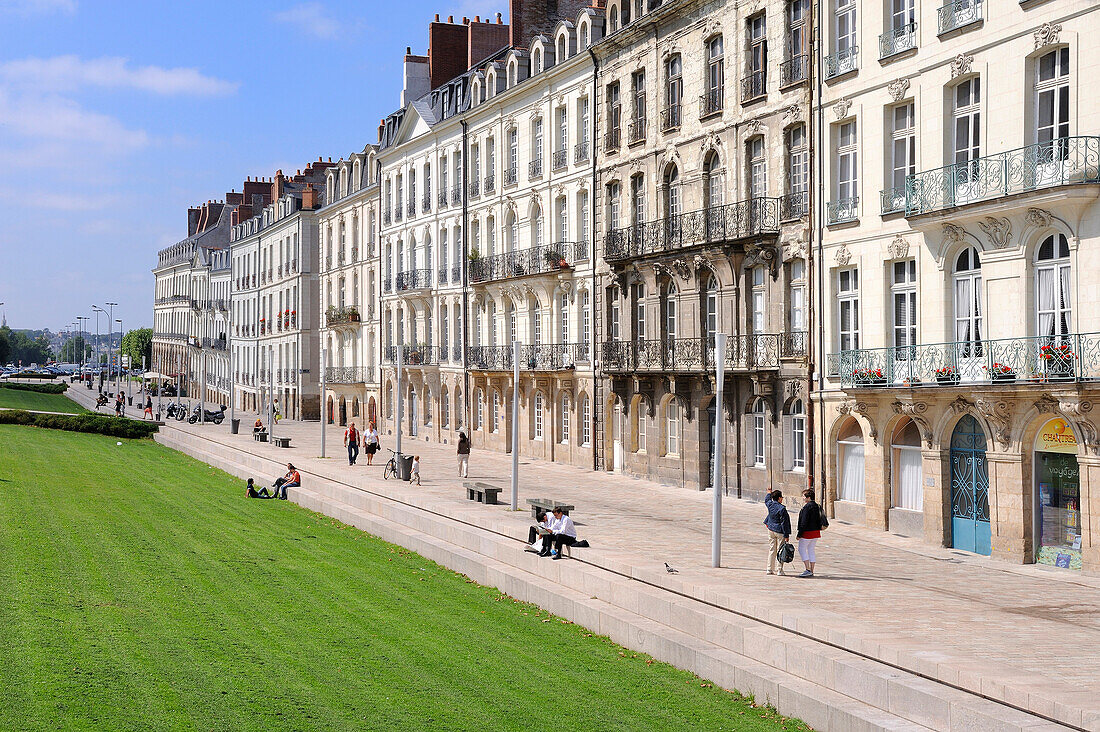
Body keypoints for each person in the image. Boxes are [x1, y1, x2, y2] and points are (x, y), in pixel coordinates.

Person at [796, 489, 828, 578]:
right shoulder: (818, 506)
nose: (802, 498)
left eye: (803, 496)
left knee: (801, 549)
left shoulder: (807, 507)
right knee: (811, 550)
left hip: (807, 532)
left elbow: (804, 522)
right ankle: (812, 570)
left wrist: (799, 534)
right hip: (816, 531)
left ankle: (807, 569)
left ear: (808, 497)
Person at [763, 489, 792, 576]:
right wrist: (786, 535)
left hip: (771, 529)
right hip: (780, 531)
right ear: (779, 498)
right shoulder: (782, 509)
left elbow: (766, 500)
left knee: (772, 549)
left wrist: (768, 493)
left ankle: (769, 568)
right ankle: (779, 569)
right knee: (780, 550)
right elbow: (784, 523)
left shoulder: (770, 505)